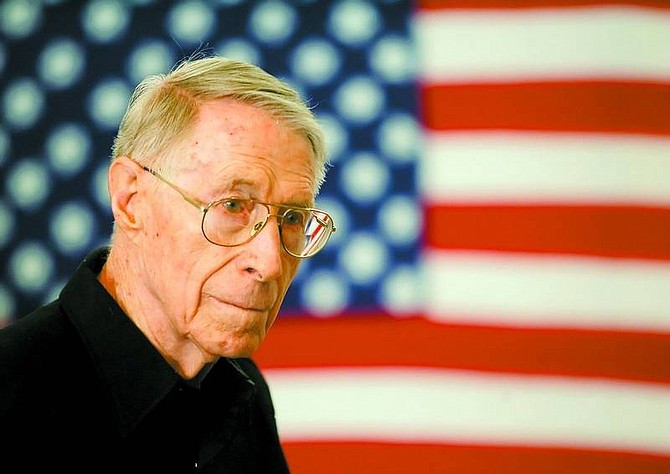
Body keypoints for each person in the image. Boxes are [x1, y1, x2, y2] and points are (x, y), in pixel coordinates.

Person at [0, 54, 336, 472]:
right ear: (131, 200)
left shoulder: (242, 394)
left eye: (291, 218)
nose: (268, 263)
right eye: (232, 205)